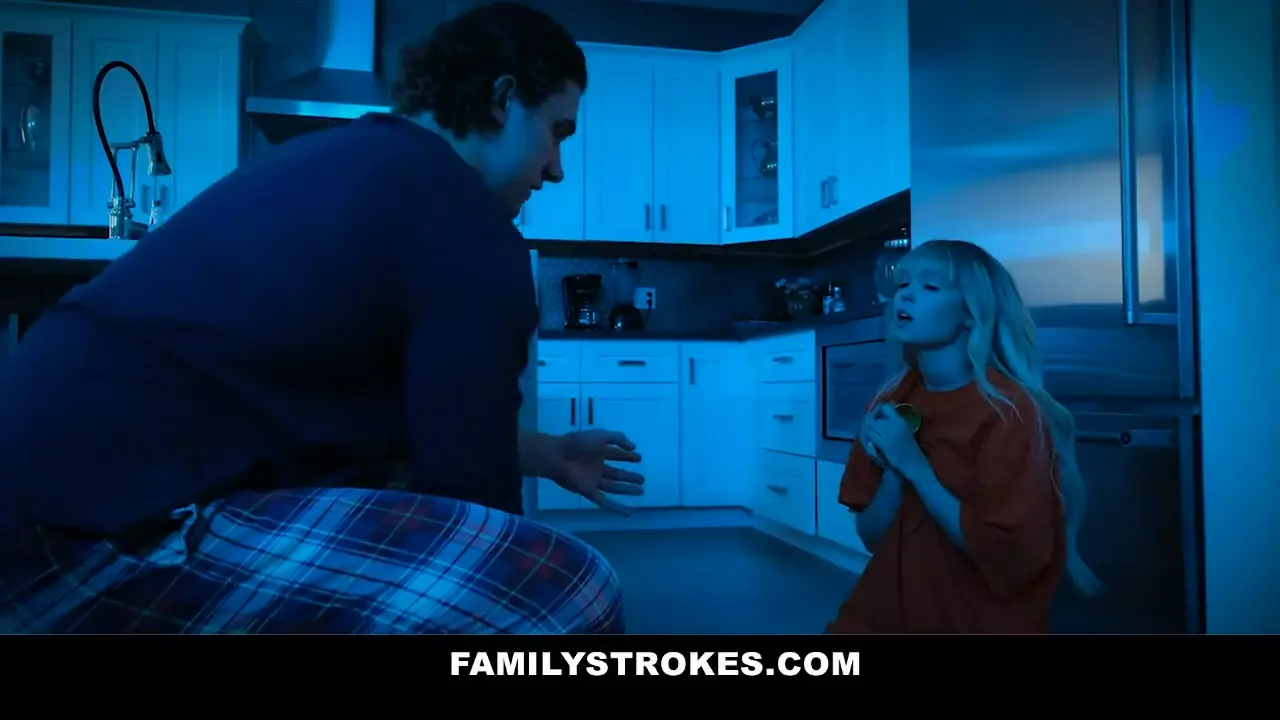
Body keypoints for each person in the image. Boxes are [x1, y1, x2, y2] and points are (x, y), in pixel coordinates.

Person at [0, 3, 643, 634]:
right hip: (80, 537)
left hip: (41, 499)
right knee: (563, 587)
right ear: (502, 100)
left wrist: (548, 453)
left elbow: (402, 421)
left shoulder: (345, 162)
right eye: (557, 131)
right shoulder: (464, 220)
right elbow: (475, 518)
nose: (556, 168)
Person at [826, 239, 1103, 634]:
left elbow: (1012, 558)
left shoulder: (1010, 411)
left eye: (930, 286)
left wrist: (915, 467)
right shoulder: (890, 402)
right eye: (903, 284)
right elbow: (872, 538)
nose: (906, 295)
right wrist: (893, 473)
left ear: (970, 315)